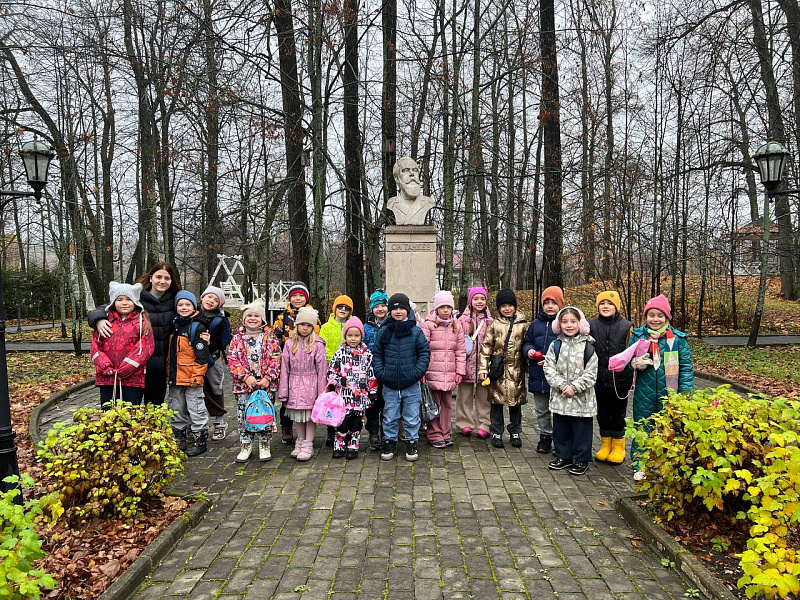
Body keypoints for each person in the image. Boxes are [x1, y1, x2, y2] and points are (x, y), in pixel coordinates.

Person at [89, 262, 196, 405]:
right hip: (135, 366)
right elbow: (107, 307)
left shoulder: (176, 301)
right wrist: (98, 319)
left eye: (167, 278)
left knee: (154, 407)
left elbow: (194, 315)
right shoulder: (136, 297)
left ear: (172, 281)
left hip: (160, 366)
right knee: (130, 407)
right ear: (151, 278)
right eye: (158, 277)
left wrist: (204, 334)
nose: (162, 281)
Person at [628, 294, 694, 480]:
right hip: (644, 392)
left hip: (670, 393)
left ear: (667, 317)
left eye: (660, 316)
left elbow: (686, 368)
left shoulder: (677, 339)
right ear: (646, 317)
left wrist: (684, 393)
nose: (655, 319)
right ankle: (640, 464)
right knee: (643, 427)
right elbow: (625, 362)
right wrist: (634, 363)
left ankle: (668, 465)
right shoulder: (638, 337)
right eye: (651, 315)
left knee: (669, 429)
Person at [373, 293, 430, 462]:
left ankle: (412, 442)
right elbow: (377, 354)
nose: (398, 312)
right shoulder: (384, 331)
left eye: (402, 308)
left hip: (411, 383)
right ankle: (390, 442)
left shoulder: (416, 331)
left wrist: (416, 373)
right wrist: (382, 373)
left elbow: (424, 353)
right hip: (390, 383)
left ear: (407, 310)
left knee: (411, 416)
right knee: (390, 415)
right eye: (395, 308)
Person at [543, 307, 599, 476]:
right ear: (559, 324)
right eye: (565, 322)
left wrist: (574, 387)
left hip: (582, 400)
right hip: (560, 397)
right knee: (561, 429)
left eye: (573, 322)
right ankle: (563, 455)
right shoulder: (555, 345)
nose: (569, 325)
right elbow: (548, 368)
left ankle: (581, 459)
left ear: (580, 324)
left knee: (581, 430)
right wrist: (561, 385)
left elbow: (591, 373)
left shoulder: (588, 347)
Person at [227, 298, 282, 462]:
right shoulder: (237, 339)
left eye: (256, 316)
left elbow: (276, 358)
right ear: (244, 319)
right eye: (249, 316)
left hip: (265, 385)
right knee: (244, 414)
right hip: (244, 385)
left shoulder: (270, 337)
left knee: (265, 413)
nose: (252, 318)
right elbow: (233, 360)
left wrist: (268, 377)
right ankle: (246, 444)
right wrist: (246, 377)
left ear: (262, 319)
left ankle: (264, 443)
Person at [478, 289, 529, 449]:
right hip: (498, 371)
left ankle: (515, 431)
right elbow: (486, 347)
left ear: (515, 306)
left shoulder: (523, 325)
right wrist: (483, 368)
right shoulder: (494, 325)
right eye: (503, 306)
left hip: (516, 370)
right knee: (496, 403)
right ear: (499, 308)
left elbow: (527, 346)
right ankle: (496, 431)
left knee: (516, 404)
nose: (507, 309)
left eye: (510, 305)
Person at [90, 282, 154, 409]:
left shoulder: (142, 323)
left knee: (129, 412)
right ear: (113, 302)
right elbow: (95, 346)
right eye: (119, 299)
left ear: (135, 302)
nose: (124, 303)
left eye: (129, 299)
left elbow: (146, 348)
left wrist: (127, 367)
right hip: (107, 377)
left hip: (132, 379)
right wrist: (104, 366)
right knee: (108, 412)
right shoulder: (105, 322)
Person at [589, 291, 633, 465]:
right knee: (602, 414)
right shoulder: (591, 325)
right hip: (598, 378)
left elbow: (632, 351)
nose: (606, 306)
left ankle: (619, 447)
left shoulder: (627, 327)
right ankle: (605, 445)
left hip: (619, 381)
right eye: (602, 303)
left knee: (618, 414)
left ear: (617, 307)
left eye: (610, 303)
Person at [278, 306, 327, 462]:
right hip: (294, 384)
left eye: (308, 325)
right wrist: (283, 390)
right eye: (302, 324)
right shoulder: (289, 344)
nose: (305, 328)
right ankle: (300, 440)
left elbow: (322, 370)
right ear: (297, 325)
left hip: (311, 385)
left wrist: (321, 394)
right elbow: (284, 368)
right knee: (298, 415)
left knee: (310, 417)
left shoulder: (317, 345)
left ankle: (308, 443)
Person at [272, 282, 319, 445]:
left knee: (307, 400)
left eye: (301, 296)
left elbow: (317, 337)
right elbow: (275, 338)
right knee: (287, 398)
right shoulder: (282, 317)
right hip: (289, 360)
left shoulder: (313, 315)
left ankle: (307, 437)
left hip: (307, 363)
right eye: (294, 296)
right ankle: (286, 427)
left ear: (306, 298)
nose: (297, 299)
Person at [167, 291, 211, 457]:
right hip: (175, 377)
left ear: (194, 307)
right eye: (180, 305)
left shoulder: (197, 327)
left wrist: (198, 375)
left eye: (187, 304)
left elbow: (202, 356)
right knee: (176, 407)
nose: (184, 308)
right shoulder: (173, 325)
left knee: (196, 407)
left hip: (192, 377)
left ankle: (200, 438)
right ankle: (179, 437)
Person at [327, 317, 377, 459]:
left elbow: (371, 374)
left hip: (360, 396)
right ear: (345, 336)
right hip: (344, 396)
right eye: (350, 335)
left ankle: (353, 445)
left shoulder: (366, 353)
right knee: (342, 422)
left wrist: (373, 392)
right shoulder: (340, 352)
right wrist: (339, 380)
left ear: (361, 336)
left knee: (357, 422)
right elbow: (330, 373)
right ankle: (339, 444)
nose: (353, 339)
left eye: (356, 335)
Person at [420, 291, 466, 448]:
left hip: (449, 373)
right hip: (432, 373)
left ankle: (446, 432)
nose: (445, 310)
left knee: (447, 405)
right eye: (442, 307)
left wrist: (459, 371)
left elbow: (460, 351)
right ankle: (434, 433)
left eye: (448, 307)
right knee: (433, 404)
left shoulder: (456, 326)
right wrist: (423, 371)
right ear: (436, 308)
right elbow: (423, 349)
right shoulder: (428, 325)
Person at [522, 286, 564, 454]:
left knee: (558, 410)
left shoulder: (564, 323)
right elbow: (527, 342)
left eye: (553, 302)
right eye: (546, 302)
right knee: (541, 409)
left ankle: (560, 440)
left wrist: (552, 360)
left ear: (560, 304)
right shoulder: (535, 324)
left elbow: (569, 348)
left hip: (558, 376)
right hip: (538, 375)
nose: (550, 306)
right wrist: (529, 351)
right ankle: (545, 436)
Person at [456, 286, 493, 439]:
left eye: (482, 299)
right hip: (466, 364)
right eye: (476, 298)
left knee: (484, 397)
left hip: (484, 366)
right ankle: (464, 422)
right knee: (464, 396)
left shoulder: (490, 322)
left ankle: (484, 424)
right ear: (470, 301)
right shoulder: (462, 320)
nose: (479, 302)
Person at [199, 286, 233, 441]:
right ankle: (194, 424)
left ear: (220, 304)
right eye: (209, 297)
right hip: (192, 358)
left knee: (215, 388)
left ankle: (220, 422)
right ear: (202, 297)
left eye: (215, 299)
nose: (211, 301)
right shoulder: (191, 311)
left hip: (213, 357)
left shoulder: (220, 320)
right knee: (193, 390)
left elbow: (221, 342)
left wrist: (209, 342)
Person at [319, 294, 354, 446]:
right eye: (340, 307)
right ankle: (331, 430)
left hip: (349, 370)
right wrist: (334, 362)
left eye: (346, 308)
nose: (343, 310)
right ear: (335, 308)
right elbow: (323, 346)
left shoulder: (352, 326)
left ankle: (344, 430)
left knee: (346, 401)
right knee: (332, 400)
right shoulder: (326, 327)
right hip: (331, 370)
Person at [364, 290, 389, 450]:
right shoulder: (366, 327)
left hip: (387, 370)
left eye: (383, 306)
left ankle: (386, 432)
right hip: (371, 372)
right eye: (376, 306)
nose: (380, 309)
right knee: (373, 404)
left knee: (387, 403)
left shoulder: (392, 324)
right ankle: (373, 432)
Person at [387, 157, 436, 226]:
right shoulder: (392, 203)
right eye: (406, 170)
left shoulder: (428, 202)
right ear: (397, 178)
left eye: (415, 170)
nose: (412, 173)